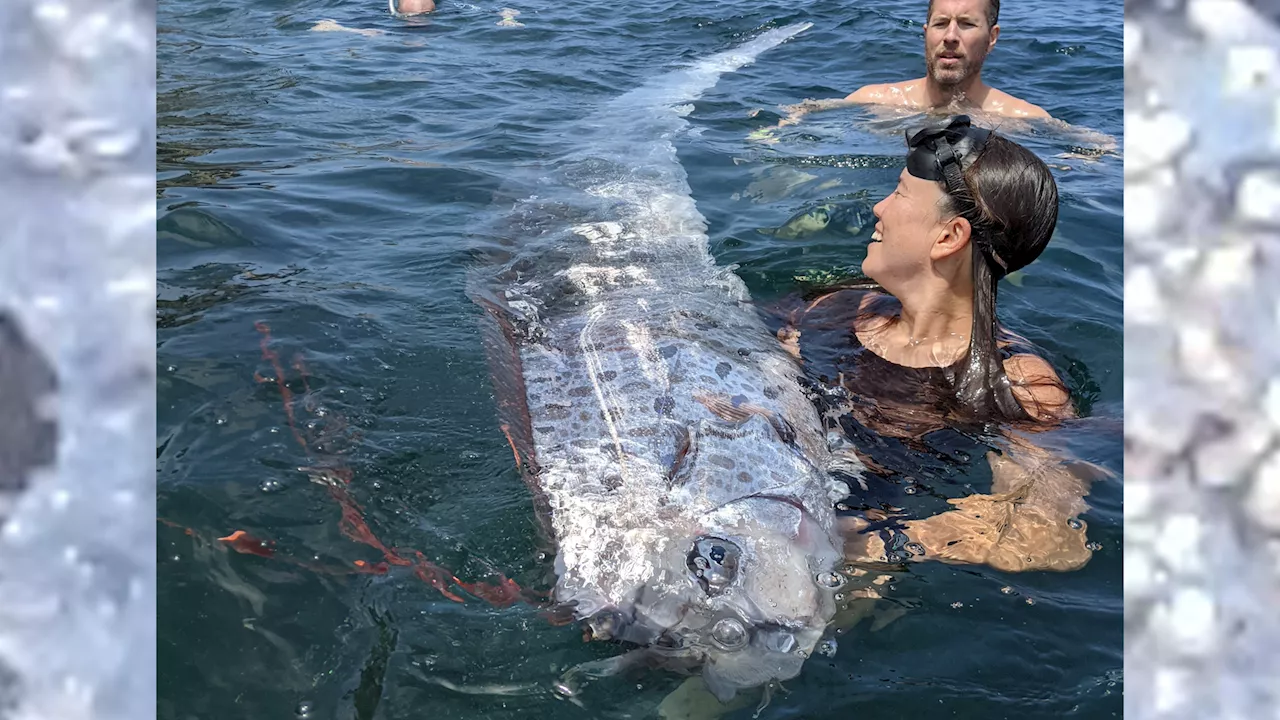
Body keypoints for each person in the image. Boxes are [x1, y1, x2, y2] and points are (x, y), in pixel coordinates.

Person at [773, 115, 1104, 573]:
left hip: (851, 562)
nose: (879, 209)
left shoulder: (1017, 382)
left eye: (899, 194)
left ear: (949, 237)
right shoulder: (834, 309)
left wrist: (876, 541)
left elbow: (1044, 535)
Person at [765, 0, 1049, 138]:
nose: (950, 36)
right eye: (940, 24)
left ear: (992, 37)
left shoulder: (1021, 119)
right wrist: (782, 126)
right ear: (926, 34)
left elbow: (1086, 150)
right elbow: (807, 110)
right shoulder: (877, 99)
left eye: (966, 23)